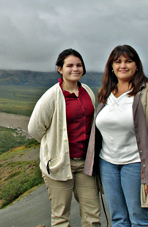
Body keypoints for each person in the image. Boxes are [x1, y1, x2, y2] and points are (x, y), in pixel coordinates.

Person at [84, 45, 148, 227]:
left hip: (136, 164)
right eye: (118, 62)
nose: (123, 65)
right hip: (107, 164)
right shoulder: (106, 94)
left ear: (137, 65)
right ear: (111, 67)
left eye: (128, 61)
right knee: (118, 219)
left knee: (139, 220)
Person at [28, 49, 101, 227]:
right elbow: (35, 129)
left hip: (85, 163)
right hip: (59, 165)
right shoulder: (52, 96)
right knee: (61, 216)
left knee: (93, 215)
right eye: (69, 65)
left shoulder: (88, 92)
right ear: (60, 69)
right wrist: (54, 149)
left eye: (79, 65)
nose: (75, 69)